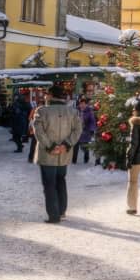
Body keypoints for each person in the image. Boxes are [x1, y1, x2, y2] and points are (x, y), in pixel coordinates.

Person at [32, 85, 82, 223]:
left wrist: (51, 146)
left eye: (47, 93)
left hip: (48, 154)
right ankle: (61, 211)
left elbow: (38, 131)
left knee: (49, 184)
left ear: (51, 95)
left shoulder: (42, 111)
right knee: (61, 181)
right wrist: (66, 145)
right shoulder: (72, 112)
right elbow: (78, 130)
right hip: (63, 154)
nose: (45, 96)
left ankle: (53, 215)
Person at [73, 97, 96, 164]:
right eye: (81, 104)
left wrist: (92, 129)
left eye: (83, 104)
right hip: (77, 130)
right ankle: (74, 160)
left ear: (86, 104)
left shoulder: (89, 111)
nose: (82, 105)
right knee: (75, 146)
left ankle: (86, 159)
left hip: (86, 130)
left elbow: (92, 121)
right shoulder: (76, 111)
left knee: (85, 146)